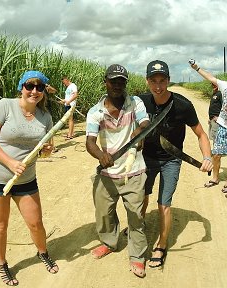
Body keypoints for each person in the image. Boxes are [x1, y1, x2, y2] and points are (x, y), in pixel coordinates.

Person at [0, 70, 59, 286]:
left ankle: (42, 253)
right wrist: (10, 162)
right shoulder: (5, 105)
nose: (34, 91)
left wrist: (46, 151)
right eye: (29, 86)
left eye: (40, 87)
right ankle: (2, 264)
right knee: (0, 225)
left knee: (35, 223)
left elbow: (46, 149)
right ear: (21, 87)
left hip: (26, 179)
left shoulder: (46, 117)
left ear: (44, 91)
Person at [138, 60, 213, 269]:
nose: (158, 86)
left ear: (169, 81)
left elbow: (201, 134)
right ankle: (139, 223)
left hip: (171, 159)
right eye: (153, 81)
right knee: (141, 197)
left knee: (164, 203)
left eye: (162, 81)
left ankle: (161, 245)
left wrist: (207, 157)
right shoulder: (140, 102)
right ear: (147, 81)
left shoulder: (182, 105)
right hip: (146, 158)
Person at [86, 64, 150, 278]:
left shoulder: (135, 103)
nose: (117, 85)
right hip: (107, 174)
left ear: (126, 83)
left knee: (136, 217)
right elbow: (90, 142)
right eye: (113, 80)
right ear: (105, 81)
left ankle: (138, 256)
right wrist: (100, 155)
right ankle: (110, 242)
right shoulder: (96, 112)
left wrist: (138, 133)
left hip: (134, 171)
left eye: (121, 81)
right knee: (104, 214)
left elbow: (145, 122)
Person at [190, 61, 227, 193]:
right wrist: (197, 68)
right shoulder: (224, 85)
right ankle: (215, 178)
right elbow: (209, 77)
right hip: (223, 125)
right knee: (216, 154)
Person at [204, 83, 223, 188]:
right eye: (212, 84)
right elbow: (215, 107)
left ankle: (215, 178)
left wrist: (219, 119)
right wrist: (211, 118)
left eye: (215, 83)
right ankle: (215, 177)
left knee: (217, 153)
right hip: (213, 121)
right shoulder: (215, 94)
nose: (213, 85)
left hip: (219, 123)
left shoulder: (222, 93)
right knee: (216, 150)